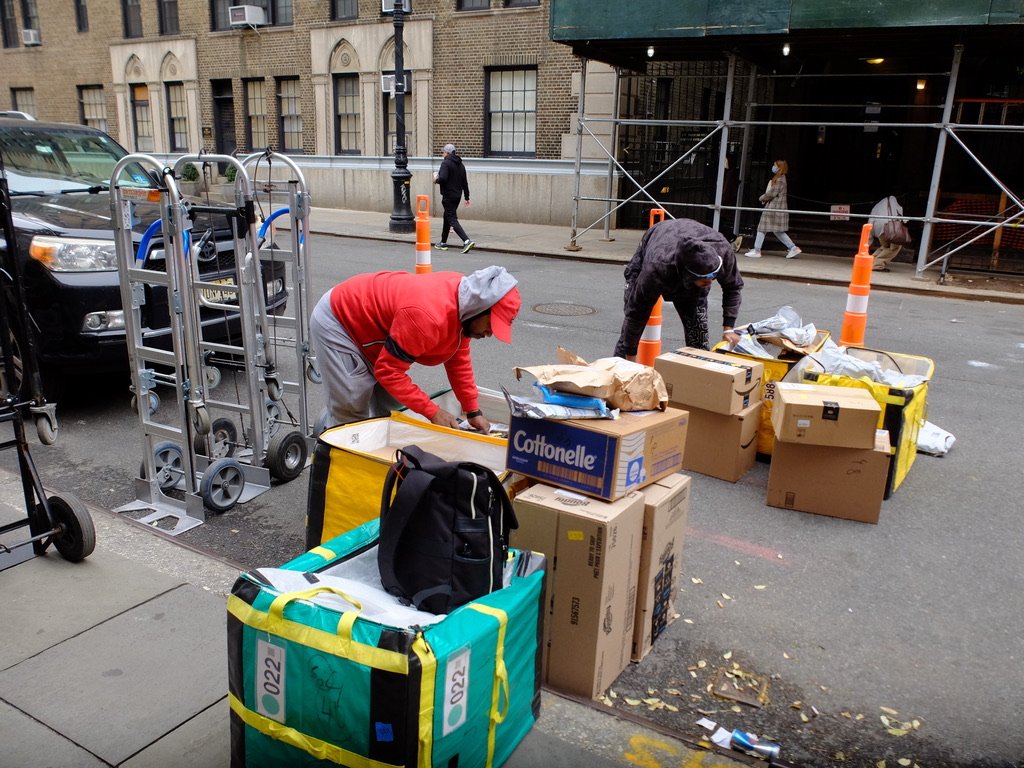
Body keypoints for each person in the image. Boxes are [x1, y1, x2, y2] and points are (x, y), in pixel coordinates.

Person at [309, 265, 520, 432]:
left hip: (376, 331)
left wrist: (473, 410)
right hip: (340, 322)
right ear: (479, 308)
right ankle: (334, 460)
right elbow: (389, 371)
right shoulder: (428, 316)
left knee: (392, 412)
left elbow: (458, 359)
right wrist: (433, 412)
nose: (490, 333)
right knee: (352, 419)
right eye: (491, 325)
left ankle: (339, 423)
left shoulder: (465, 306)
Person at [614, 218, 744, 358]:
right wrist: (629, 360)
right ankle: (618, 365)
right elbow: (636, 313)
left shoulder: (723, 252)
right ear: (688, 275)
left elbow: (733, 287)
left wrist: (728, 330)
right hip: (658, 238)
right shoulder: (656, 268)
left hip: (688, 250)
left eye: (713, 276)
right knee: (630, 325)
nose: (710, 281)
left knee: (698, 339)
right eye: (704, 279)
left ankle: (697, 371)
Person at [745, 159, 802, 259]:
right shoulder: (781, 178)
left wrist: (762, 197)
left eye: (774, 165)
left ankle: (757, 250)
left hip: (773, 208)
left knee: (762, 228)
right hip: (777, 208)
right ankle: (793, 247)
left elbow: (772, 193)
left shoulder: (780, 179)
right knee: (778, 231)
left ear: (779, 167)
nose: (773, 167)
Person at [433, 143, 474, 253]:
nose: (443, 154)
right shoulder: (461, 165)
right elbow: (464, 182)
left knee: (451, 219)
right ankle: (443, 242)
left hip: (448, 195)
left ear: (447, 153)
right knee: (447, 217)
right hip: (457, 195)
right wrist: (467, 197)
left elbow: (443, 179)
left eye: (443, 152)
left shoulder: (445, 163)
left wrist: (436, 179)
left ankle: (467, 241)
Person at [868, 194, 906, 272]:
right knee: (894, 247)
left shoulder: (878, 205)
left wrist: (870, 238)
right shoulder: (893, 203)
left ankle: (870, 262)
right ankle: (877, 265)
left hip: (878, 229)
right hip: (889, 228)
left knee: (885, 246)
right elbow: (898, 216)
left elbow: (870, 220)